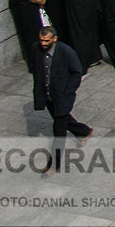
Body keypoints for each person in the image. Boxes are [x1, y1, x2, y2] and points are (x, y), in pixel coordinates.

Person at [31, 27, 92, 169]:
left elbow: (77, 73)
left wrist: (67, 91)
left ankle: (54, 164)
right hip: (47, 96)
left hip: (62, 96)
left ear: (55, 39)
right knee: (63, 119)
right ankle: (83, 131)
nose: (43, 43)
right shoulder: (36, 48)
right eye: (41, 40)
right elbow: (35, 66)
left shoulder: (66, 52)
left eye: (46, 41)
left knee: (59, 130)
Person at [8, 0, 45, 68]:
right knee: (33, 37)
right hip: (28, 13)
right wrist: (42, 0)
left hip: (25, 12)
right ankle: (37, 62)